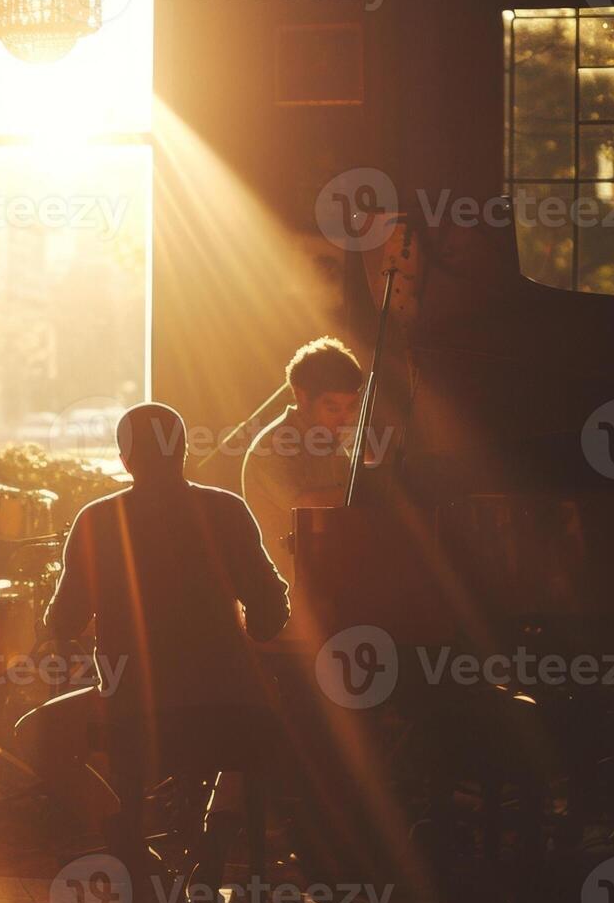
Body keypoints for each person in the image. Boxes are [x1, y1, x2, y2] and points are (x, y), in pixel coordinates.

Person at [29, 402, 290, 875]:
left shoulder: (97, 519)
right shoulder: (227, 509)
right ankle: (218, 834)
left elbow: (62, 623)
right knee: (258, 704)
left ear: (125, 457)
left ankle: (129, 846)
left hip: (134, 713)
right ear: (184, 451)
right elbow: (271, 612)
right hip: (226, 708)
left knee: (36, 736)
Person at [240, 336, 365, 581]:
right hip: (290, 594)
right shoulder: (272, 446)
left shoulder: (333, 442)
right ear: (301, 396)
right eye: (333, 408)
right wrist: (370, 489)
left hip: (326, 583)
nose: (345, 418)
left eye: (350, 407)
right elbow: (306, 504)